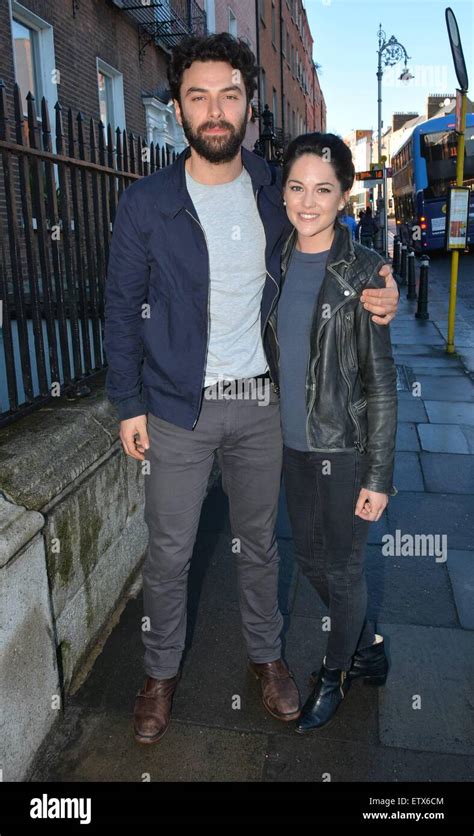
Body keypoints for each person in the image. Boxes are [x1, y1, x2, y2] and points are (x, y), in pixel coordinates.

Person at [104, 33, 399, 745]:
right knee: (170, 551)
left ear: (248, 108)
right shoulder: (147, 203)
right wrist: (128, 403)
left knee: (261, 545)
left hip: (261, 404)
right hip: (176, 407)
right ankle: (160, 673)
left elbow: (329, 236)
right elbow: (120, 308)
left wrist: (379, 282)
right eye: (198, 96)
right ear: (177, 111)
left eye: (229, 95)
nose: (215, 110)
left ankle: (266, 659)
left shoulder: (274, 186)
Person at [264, 132, 397, 733]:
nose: (308, 201)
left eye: (323, 189)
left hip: (342, 450)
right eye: (297, 187)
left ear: (344, 196)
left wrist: (378, 476)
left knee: (341, 570)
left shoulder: (367, 273)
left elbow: (381, 385)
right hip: (292, 445)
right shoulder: (277, 257)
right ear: (283, 193)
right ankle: (368, 645)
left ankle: (336, 671)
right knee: (314, 562)